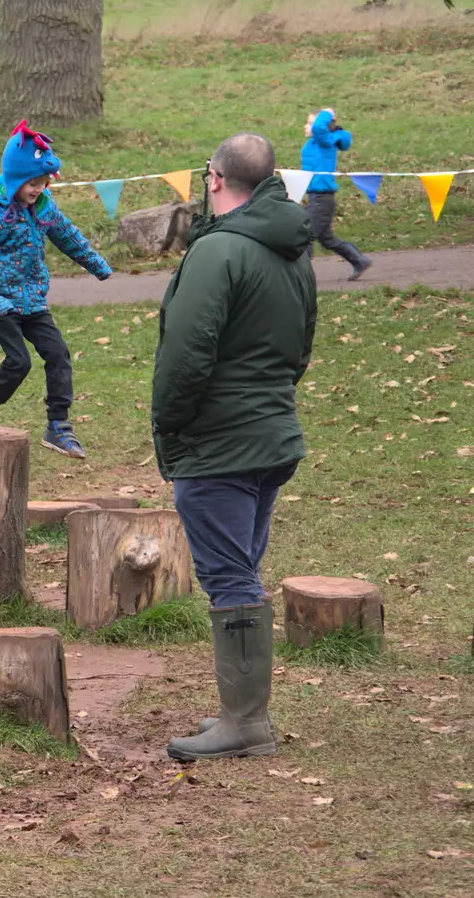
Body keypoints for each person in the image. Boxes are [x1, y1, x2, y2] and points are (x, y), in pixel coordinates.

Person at [153, 133, 317, 762]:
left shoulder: (218, 251)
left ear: (215, 179)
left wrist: (171, 422)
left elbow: (185, 354)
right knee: (240, 568)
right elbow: (300, 348)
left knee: (230, 578)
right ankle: (239, 709)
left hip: (222, 442)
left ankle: (245, 720)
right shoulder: (291, 251)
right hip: (272, 434)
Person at [0, 121, 111, 458]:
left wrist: (97, 265)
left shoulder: (43, 208)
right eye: (32, 183)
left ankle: (58, 425)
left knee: (58, 355)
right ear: (15, 178)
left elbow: (68, 236)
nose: (38, 189)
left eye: (44, 183)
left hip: (33, 304)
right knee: (19, 361)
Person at [300, 108, 371, 280]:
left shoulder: (325, 141)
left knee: (305, 236)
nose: (306, 126)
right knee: (326, 239)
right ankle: (359, 261)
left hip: (321, 198)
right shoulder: (316, 143)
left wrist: (327, 112)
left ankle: (301, 276)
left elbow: (319, 128)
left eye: (310, 123)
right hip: (317, 197)